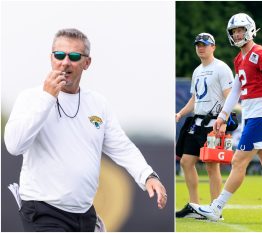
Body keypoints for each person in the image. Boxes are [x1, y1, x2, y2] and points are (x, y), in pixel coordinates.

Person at [4, 28, 167, 232]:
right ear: (51, 58)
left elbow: (121, 146)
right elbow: (14, 145)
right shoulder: (30, 98)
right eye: (59, 55)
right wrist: (46, 98)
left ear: (86, 63)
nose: (65, 62)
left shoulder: (97, 103)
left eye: (73, 56)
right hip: (42, 211)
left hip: (84, 214)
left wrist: (148, 176)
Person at [189, 13, 262, 223]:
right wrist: (223, 115)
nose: (237, 34)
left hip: (260, 114)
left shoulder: (260, 53)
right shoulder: (239, 58)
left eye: (240, 30)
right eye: (234, 31)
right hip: (251, 114)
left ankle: (216, 207)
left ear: (250, 30)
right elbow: (237, 89)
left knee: (238, 161)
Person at [175, 33, 234, 218]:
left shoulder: (221, 68)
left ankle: (215, 209)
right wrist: (181, 113)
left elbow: (229, 96)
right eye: (198, 45)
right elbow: (194, 99)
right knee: (186, 161)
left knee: (211, 166)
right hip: (197, 122)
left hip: (214, 123)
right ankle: (195, 206)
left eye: (204, 44)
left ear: (213, 47)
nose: (201, 47)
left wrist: (224, 120)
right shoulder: (197, 70)